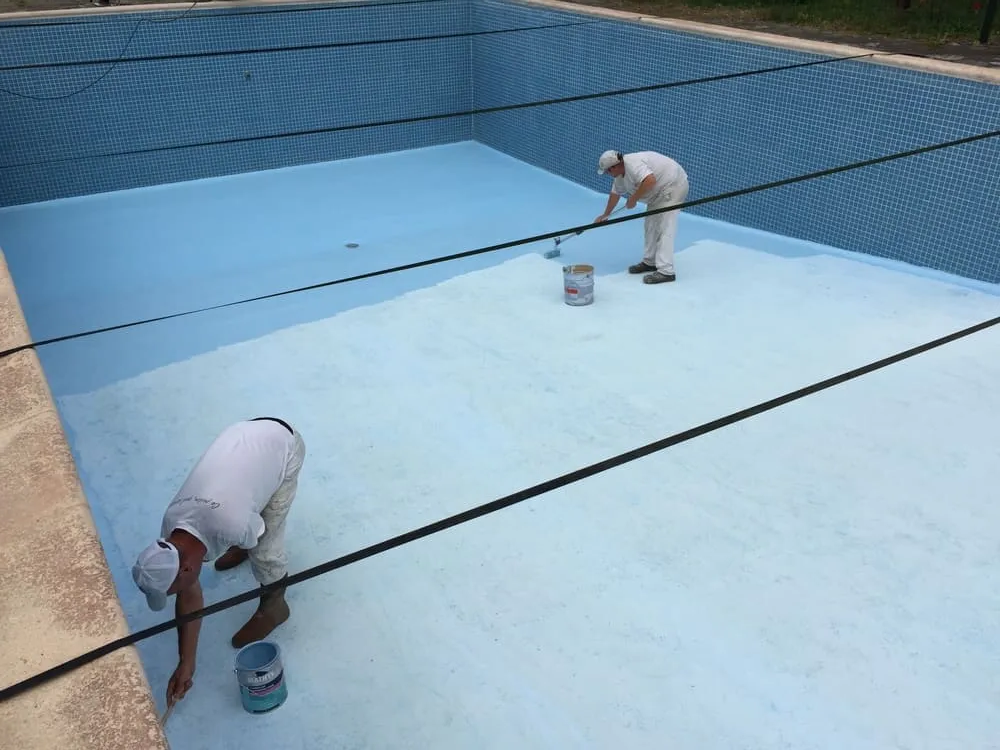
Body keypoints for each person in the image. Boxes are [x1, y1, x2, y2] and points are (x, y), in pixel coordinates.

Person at [131, 417, 307, 708]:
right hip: (244, 437)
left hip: (283, 445)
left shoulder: (232, 524)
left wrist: (247, 539)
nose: (179, 594)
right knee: (241, 524)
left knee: (263, 550)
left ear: (186, 568)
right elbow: (189, 597)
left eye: (174, 590)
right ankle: (244, 544)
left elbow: (252, 528)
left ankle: (275, 607)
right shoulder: (171, 525)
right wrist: (187, 664)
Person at [595, 149, 689, 284]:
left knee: (665, 227)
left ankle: (666, 271)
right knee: (650, 225)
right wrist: (606, 215)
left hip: (673, 185)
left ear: (615, 166)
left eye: (608, 171)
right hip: (657, 193)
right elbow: (615, 193)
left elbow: (650, 180)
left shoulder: (633, 164)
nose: (608, 174)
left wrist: (634, 198)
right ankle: (649, 262)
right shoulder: (619, 176)